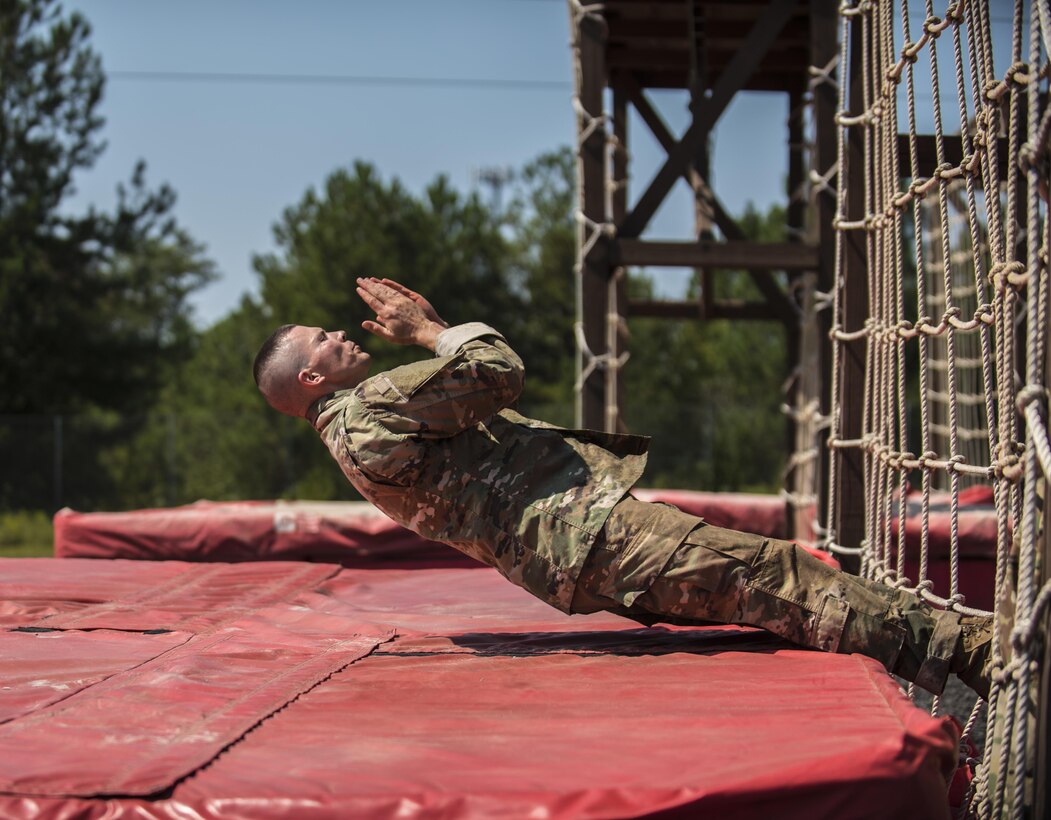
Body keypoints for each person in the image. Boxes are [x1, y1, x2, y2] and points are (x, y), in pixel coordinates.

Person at [253, 276, 994, 699]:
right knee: (774, 576)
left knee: (763, 592)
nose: (342, 335)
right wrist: (427, 330)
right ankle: (973, 651)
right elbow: (497, 370)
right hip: (591, 537)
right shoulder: (373, 406)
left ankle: (951, 648)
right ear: (311, 378)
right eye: (322, 339)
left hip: (571, 557)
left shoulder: (348, 437)